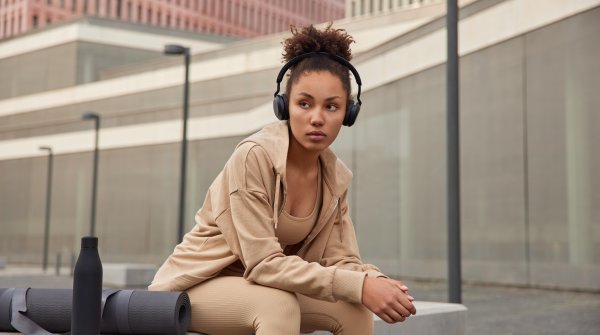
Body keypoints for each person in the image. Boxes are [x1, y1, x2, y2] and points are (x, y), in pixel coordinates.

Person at [149, 24, 416, 335]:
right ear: (284, 105)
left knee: (353, 308)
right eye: (305, 104)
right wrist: (359, 285)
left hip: (260, 285)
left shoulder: (335, 177)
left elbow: (342, 260)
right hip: (193, 288)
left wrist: (374, 281)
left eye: (331, 106)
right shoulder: (254, 156)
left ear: (348, 113)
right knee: (277, 304)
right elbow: (263, 264)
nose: (317, 117)